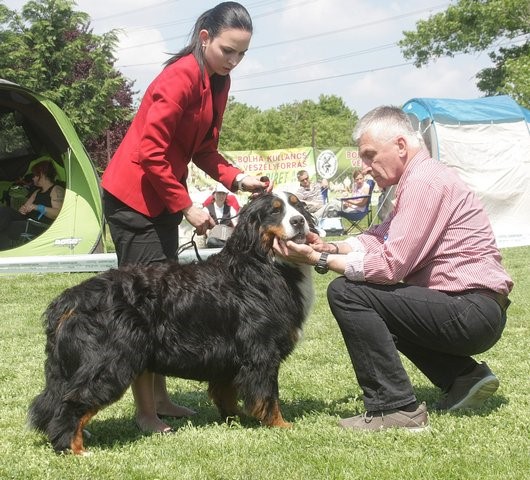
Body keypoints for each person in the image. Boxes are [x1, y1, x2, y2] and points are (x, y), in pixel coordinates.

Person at [274, 106, 513, 432]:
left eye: (371, 156)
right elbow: (380, 237)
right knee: (382, 305)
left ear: (400, 145)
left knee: (347, 292)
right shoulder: (420, 178)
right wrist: (329, 247)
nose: (366, 167)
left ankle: (395, 408)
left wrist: (318, 260)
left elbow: (389, 266)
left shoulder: (424, 182)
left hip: (469, 310)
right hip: (474, 309)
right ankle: (463, 377)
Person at [101, 2, 269, 435]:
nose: (234, 61)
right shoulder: (177, 79)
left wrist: (238, 178)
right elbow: (149, 154)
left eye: (242, 55)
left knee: (162, 300)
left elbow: (204, 149)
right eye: (228, 51)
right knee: (142, 306)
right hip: (133, 200)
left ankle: (160, 398)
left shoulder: (218, 81)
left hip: (159, 198)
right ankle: (145, 414)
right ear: (205, 37)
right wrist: (185, 205)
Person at [0, 158, 65, 249]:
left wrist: (37, 207)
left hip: (40, 226)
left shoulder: (56, 189)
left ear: (41, 174)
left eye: (34, 175)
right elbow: (25, 207)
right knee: (4, 210)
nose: (33, 178)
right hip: (28, 221)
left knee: (9, 226)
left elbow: (57, 213)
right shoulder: (37, 192)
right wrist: (23, 209)